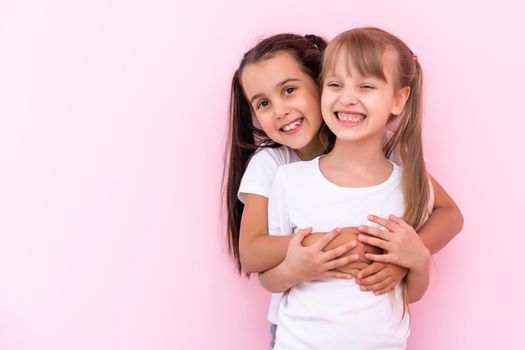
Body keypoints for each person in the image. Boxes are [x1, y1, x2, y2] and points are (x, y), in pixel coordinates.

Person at [224, 32, 463, 348]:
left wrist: (403, 254)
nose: (280, 110)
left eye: (290, 90)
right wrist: (340, 241)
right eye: (264, 103)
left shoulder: (382, 153)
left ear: (319, 85)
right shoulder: (277, 167)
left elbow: (449, 215)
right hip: (300, 331)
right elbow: (253, 253)